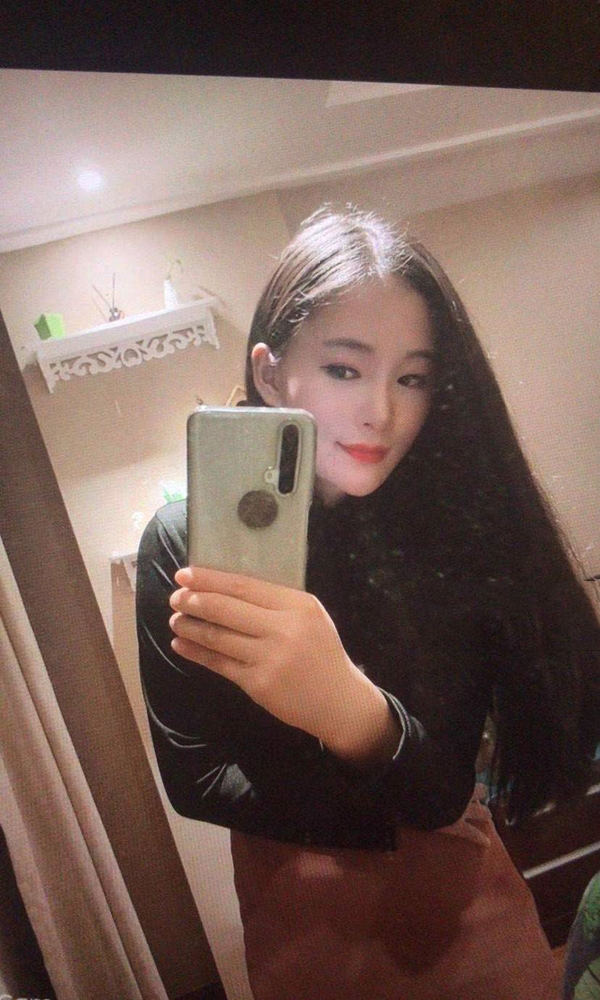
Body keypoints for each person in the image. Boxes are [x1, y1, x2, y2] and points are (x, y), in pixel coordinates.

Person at [136, 208, 600, 999]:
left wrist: (348, 710)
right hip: (302, 929)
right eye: (346, 370)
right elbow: (195, 775)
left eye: (412, 378)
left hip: (469, 918)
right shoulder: (184, 543)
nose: (381, 412)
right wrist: (385, 780)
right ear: (270, 373)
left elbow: (445, 790)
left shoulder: (449, 531)